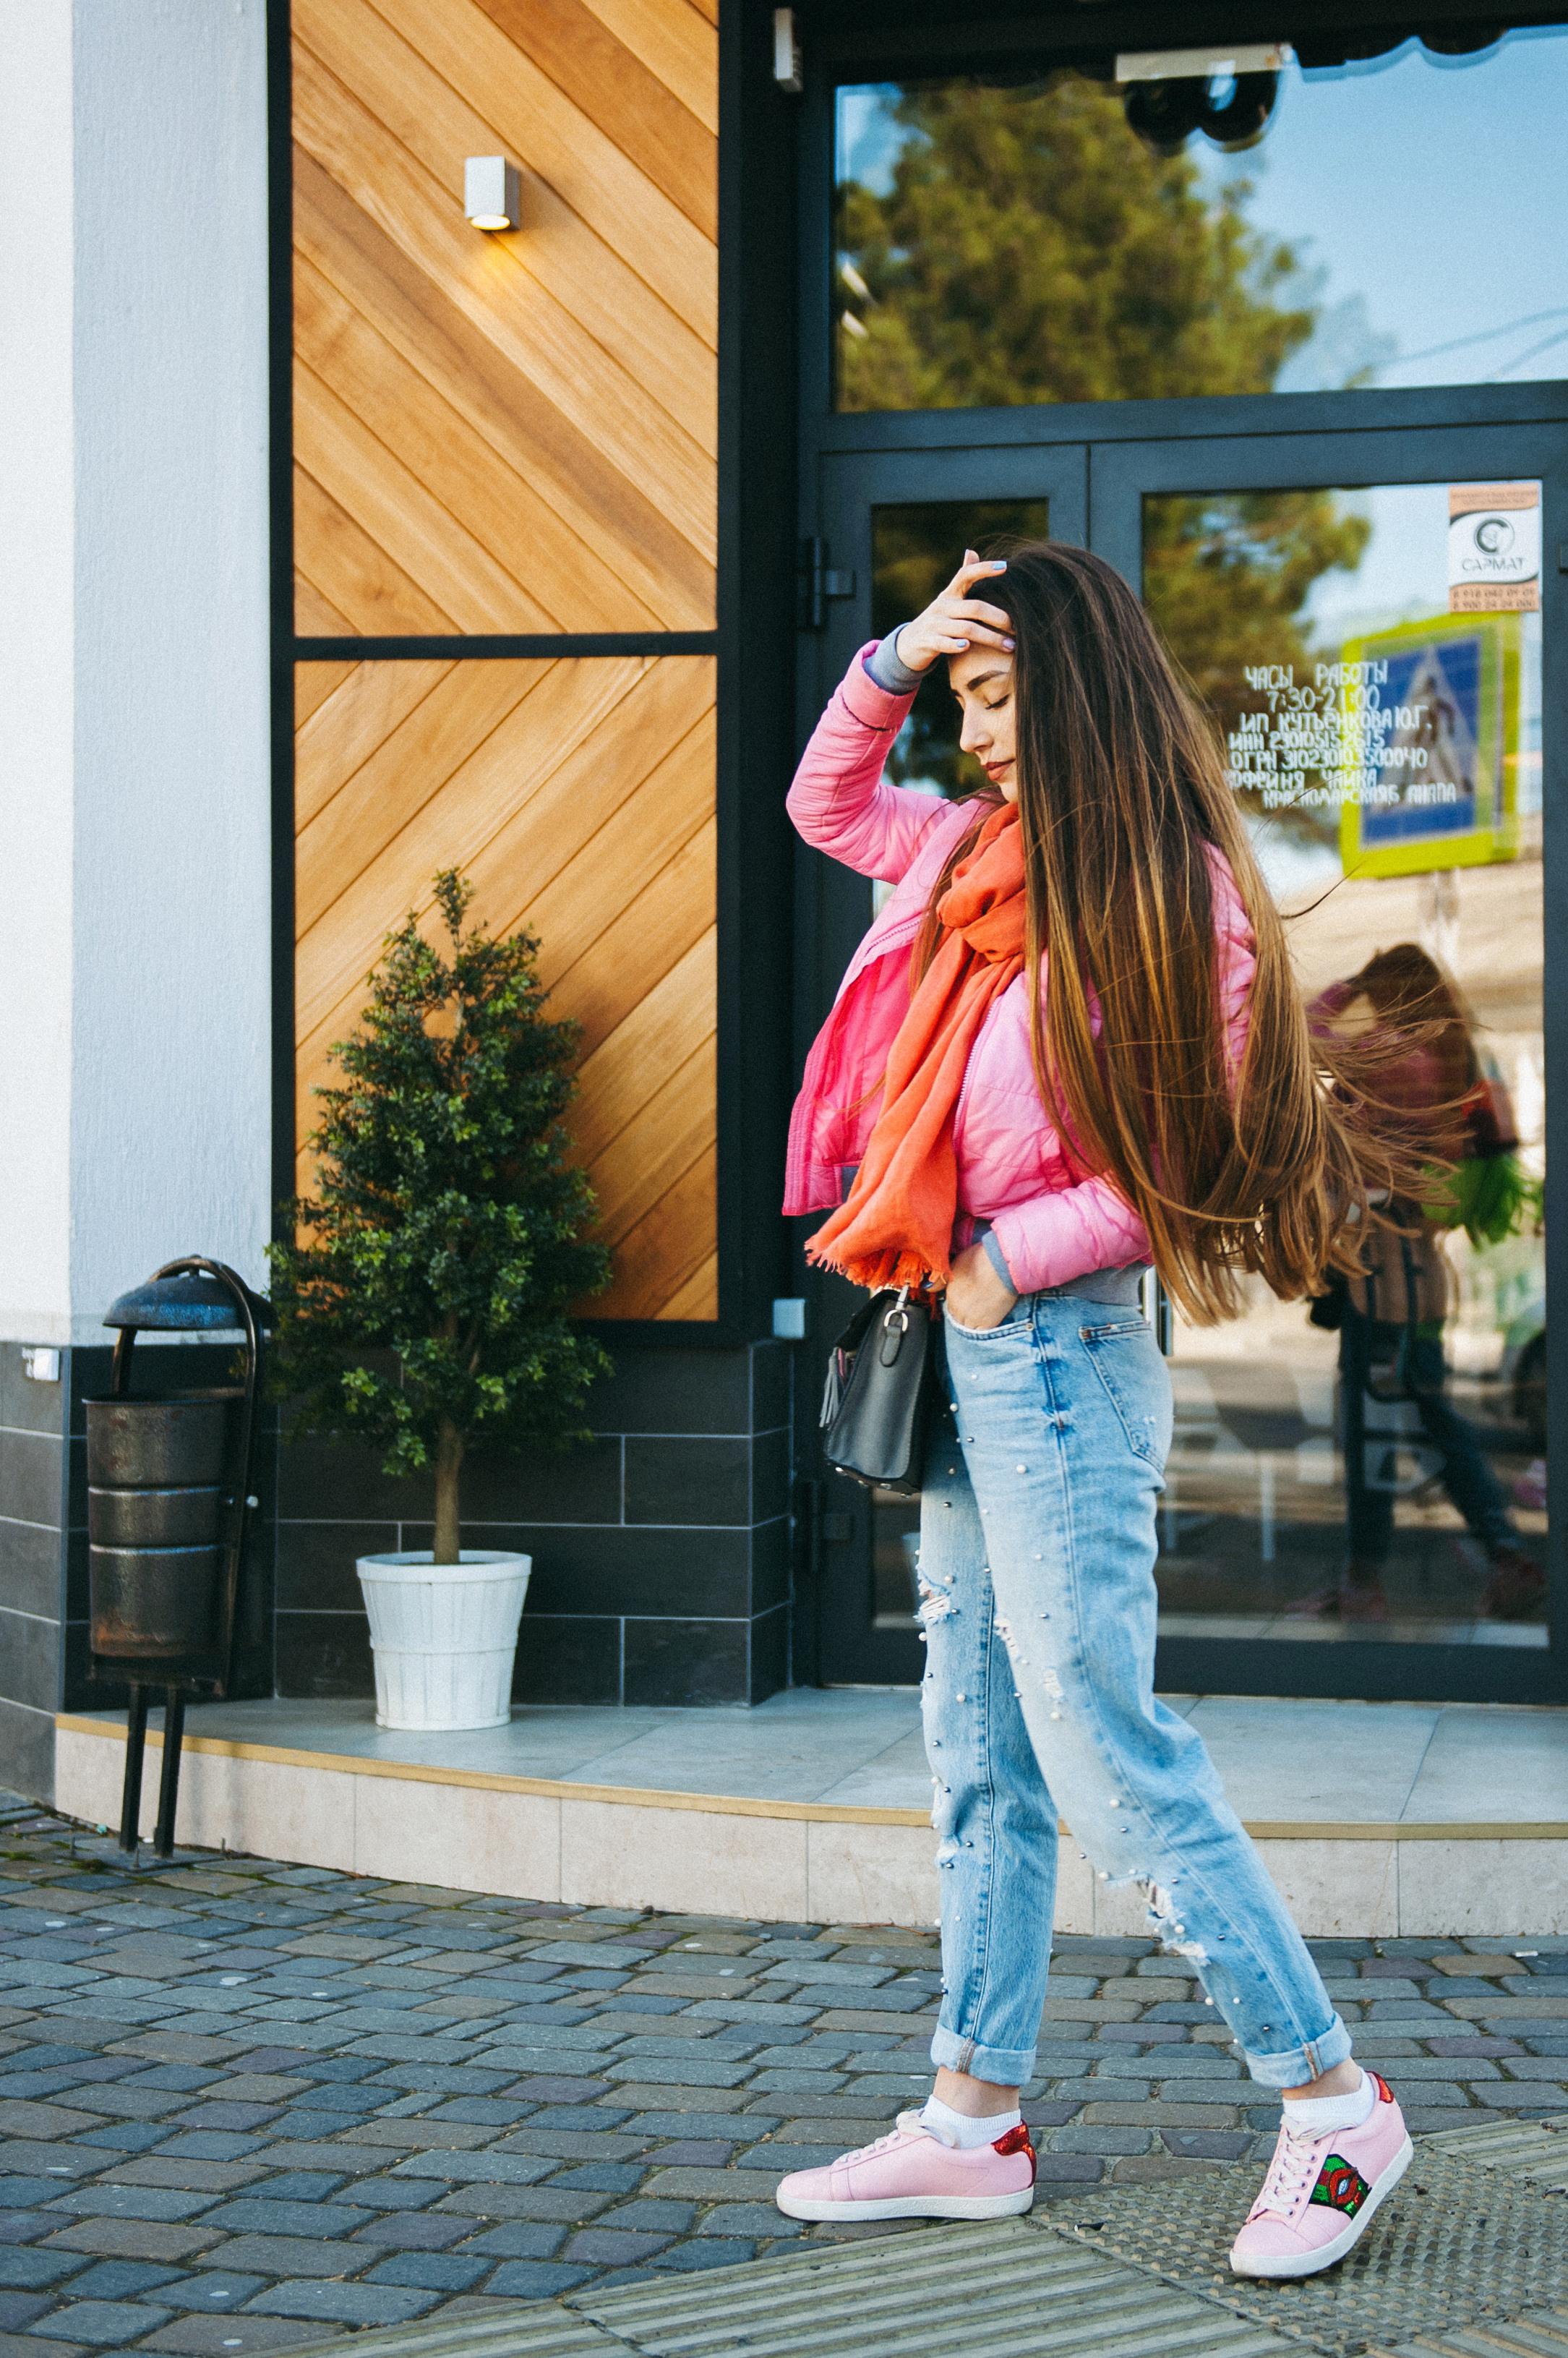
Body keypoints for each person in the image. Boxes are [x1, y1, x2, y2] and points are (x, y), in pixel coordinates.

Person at [774, 543, 1413, 2280]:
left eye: (996, 697)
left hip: (1054, 1348)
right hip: (960, 1337)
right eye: (962, 704)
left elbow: (1188, 1160)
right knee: (975, 1746)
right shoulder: (960, 857)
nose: (974, 736)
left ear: (1074, 691)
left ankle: (1330, 2098)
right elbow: (822, 802)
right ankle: (970, 2115)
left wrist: (1003, 1257)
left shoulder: (1174, 896)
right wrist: (899, 651)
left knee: (1100, 1748)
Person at [1294, 944, 1543, 1625]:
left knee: (1373, 1431)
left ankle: (1367, 1583)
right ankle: (1498, 1558)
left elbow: (1305, 1038)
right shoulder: (1445, 1057)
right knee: (1428, 1424)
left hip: (1382, 1281)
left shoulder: (1393, 1052)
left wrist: (1345, 986)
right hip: (1416, 1277)